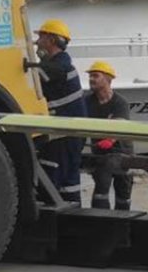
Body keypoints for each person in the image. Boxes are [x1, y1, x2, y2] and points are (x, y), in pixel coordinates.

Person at [27, 19, 87, 205]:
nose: (37, 42)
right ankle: (74, 217)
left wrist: (24, 64)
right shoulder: (60, 66)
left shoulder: (58, 68)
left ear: (52, 41)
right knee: (68, 182)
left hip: (64, 136)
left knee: (53, 180)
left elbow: (35, 75)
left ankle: (63, 218)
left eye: (41, 37)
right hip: (66, 135)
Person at [84, 61, 134, 210]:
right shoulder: (87, 101)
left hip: (122, 153)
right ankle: (102, 223)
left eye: (95, 76)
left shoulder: (120, 103)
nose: (91, 79)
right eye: (90, 76)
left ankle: (123, 221)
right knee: (101, 191)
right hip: (101, 154)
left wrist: (110, 139)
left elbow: (120, 124)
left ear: (108, 79)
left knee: (123, 194)